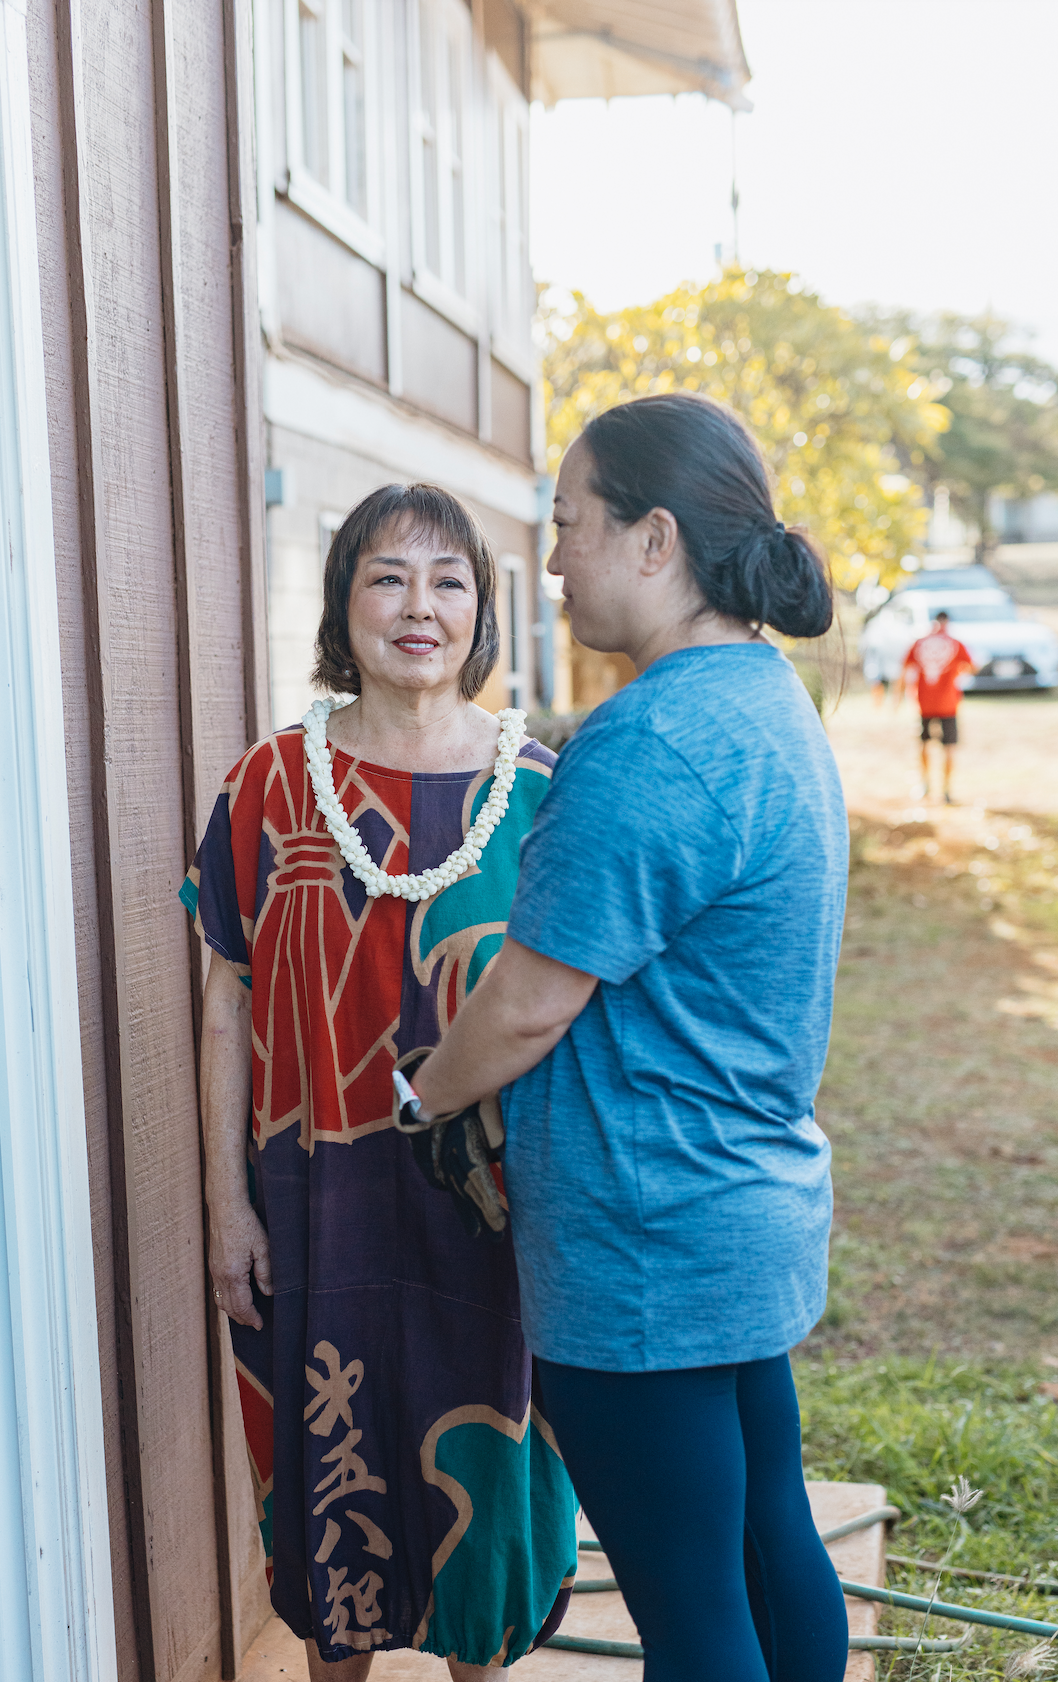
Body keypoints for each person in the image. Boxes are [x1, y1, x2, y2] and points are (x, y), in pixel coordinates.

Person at [403, 393, 852, 1682]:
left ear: (653, 540)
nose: (550, 560)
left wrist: (425, 1095)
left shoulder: (651, 736)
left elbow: (533, 997)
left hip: (646, 1244)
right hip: (736, 1212)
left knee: (695, 1615)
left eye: (566, 523)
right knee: (769, 1553)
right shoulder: (764, 702)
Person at [180, 485, 577, 1679]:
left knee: (490, 1499)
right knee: (326, 1486)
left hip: (499, 1212)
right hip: (314, 1207)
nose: (419, 606)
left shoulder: (547, 796)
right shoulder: (265, 788)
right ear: (341, 603)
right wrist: (225, 1207)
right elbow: (227, 1004)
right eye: (387, 576)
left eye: (449, 580)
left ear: (482, 613)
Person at [899, 609, 975, 802]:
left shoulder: (920, 642)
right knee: (948, 746)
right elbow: (971, 666)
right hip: (948, 704)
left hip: (925, 702)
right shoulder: (955, 643)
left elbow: (905, 666)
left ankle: (925, 785)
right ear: (947, 622)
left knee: (924, 743)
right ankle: (947, 790)